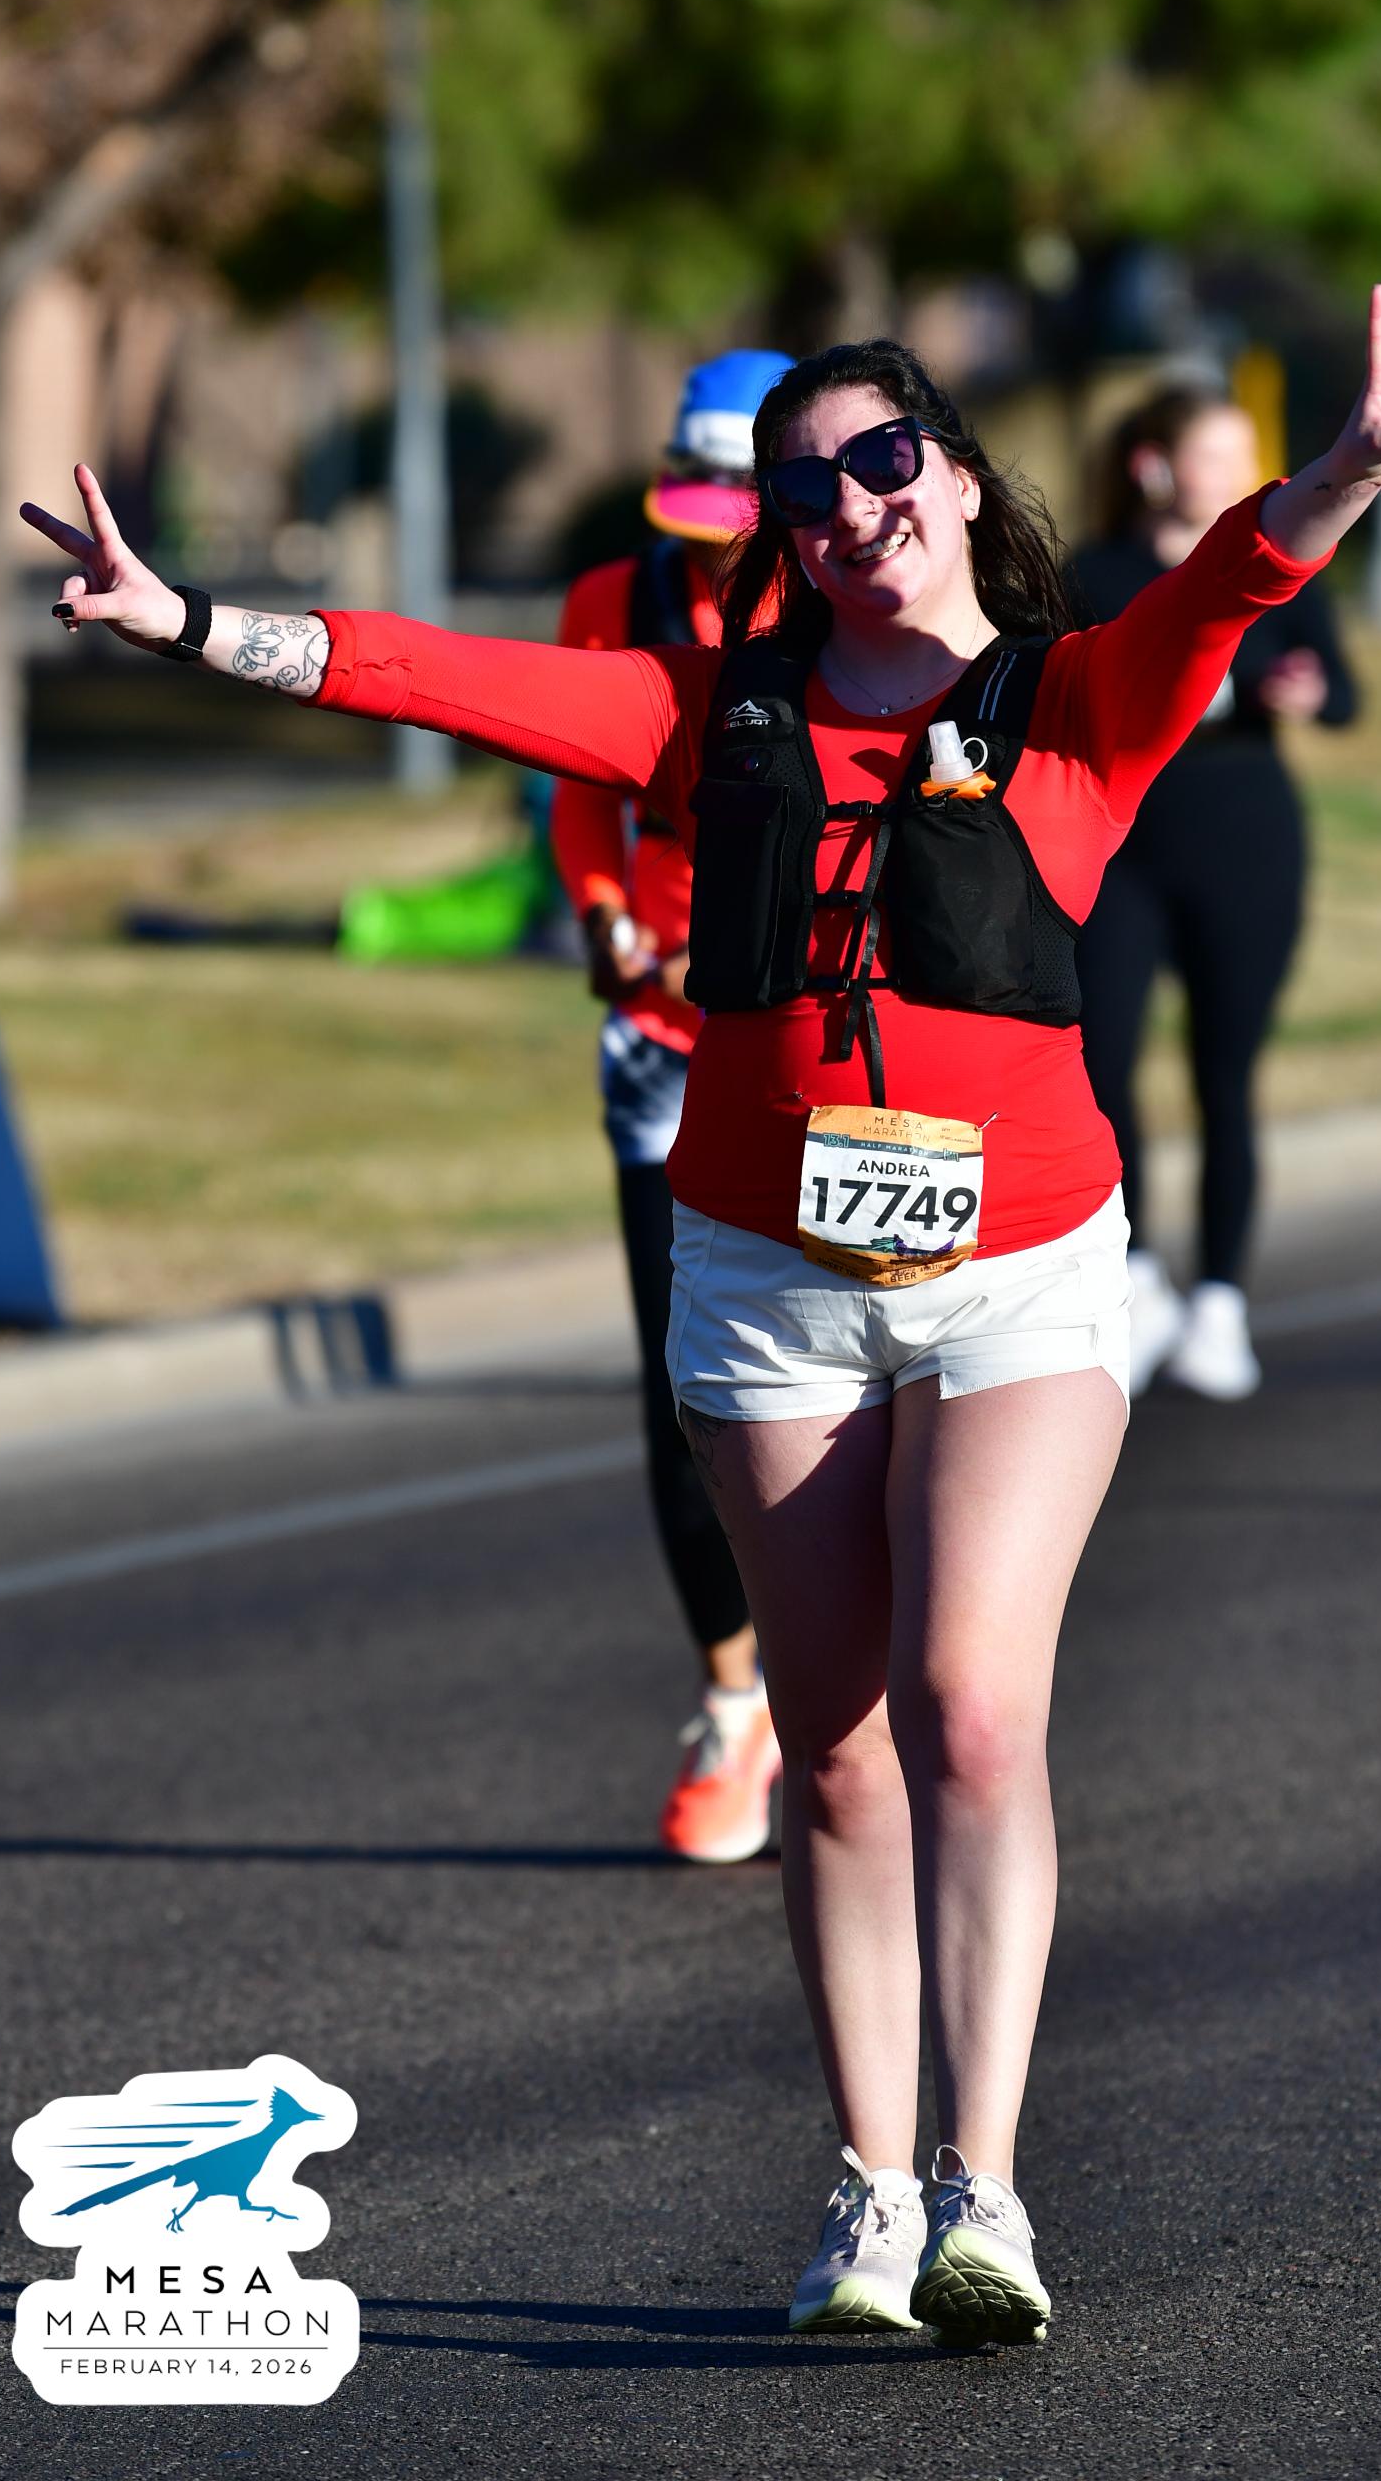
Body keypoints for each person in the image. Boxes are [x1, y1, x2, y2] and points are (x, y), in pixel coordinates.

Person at [23, 280, 1381, 2350]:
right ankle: (868, 2188)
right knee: (840, 1750)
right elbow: (443, 679)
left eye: (884, 459)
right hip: (770, 1284)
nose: (853, 505)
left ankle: (983, 2185)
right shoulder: (716, 712)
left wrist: (1347, 464)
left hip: (1019, 1276)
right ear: (774, 527)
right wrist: (186, 625)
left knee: (972, 1708)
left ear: (951, 473)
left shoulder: (1074, 700)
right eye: (807, 488)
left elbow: (1232, 583)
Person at [550, 349, 791, 1864]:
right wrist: (594, 906)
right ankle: (731, 1699)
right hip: (657, 1036)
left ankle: (860, 1685)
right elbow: (576, 781)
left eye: (736, 527)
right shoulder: (613, 598)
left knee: (849, 1373)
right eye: (696, 523)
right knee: (684, 1387)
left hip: (812, 1037)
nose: (712, 554)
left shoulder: (846, 602)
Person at [1067, 385, 1361, 1401]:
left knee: (1223, 1074)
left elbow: (1343, 694)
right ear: (1152, 465)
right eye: (1214, 455)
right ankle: (1139, 1277)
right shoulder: (1093, 573)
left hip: (1245, 839)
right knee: (1100, 1066)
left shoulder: (1280, 563)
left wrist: (1309, 691)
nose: (1239, 474)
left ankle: (1222, 1304)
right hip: (1121, 847)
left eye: (1247, 454)